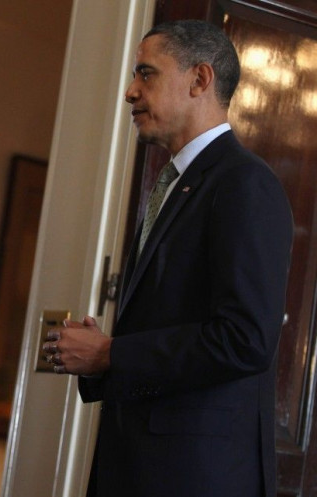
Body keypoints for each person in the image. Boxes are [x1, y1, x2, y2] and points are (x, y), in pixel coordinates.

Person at [42, 20, 293, 497]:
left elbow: (245, 339)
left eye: (146, 74)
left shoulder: (244, 183)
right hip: (142, 466)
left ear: (200, 80)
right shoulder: (178, 182)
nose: (130, 92)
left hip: (194, 476)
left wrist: (112, 352)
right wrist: (104, 357)